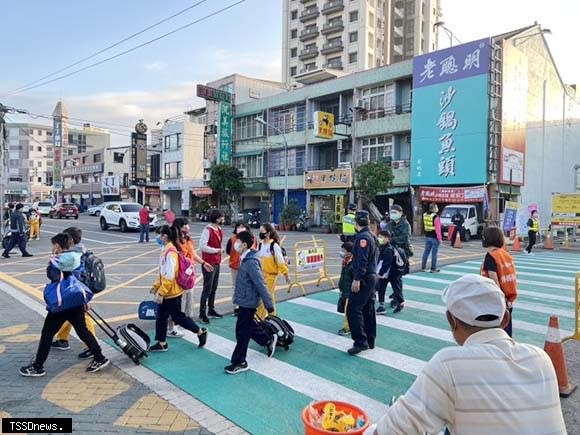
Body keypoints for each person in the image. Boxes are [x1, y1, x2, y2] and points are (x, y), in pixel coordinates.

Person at [364, 274, 566, 435]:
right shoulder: (541, 359)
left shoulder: (448, 365)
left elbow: (393, 430)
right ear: (505, 319)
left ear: (451, 320)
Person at [19, 233, 109, 376]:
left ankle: (37, 367)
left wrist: (52, 260)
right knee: (82, 330)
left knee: (47, 333)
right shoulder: (77, 256)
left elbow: (53, 276)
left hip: (63, 301)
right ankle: (99, 357)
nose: (52, 248)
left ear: (58, 245)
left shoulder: (61, 260)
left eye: (53, 245)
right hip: (76, 299)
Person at [225, 230, 278, 374]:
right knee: (247, 327)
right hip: (244, 300)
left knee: (242, 332)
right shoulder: (245, 258)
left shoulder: (251, 261)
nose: (234, 244)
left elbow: (260, 284)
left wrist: (269, 305)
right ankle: (267, 339)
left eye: (237, 241)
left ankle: (240, 362)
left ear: (243, 244)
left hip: (249, 302)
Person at [149, 225, 208, 352]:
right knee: (161, 317)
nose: (158, 238)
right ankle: (161, 343)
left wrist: (161, 292)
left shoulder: (171, 252)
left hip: (172, 293)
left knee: (178, 317)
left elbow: (170, 275)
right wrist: (156, 286)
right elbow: (163, 273)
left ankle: (200, 331)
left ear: (165, 236)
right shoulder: (166, 249)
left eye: (159, 235)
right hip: (168, 291)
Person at [52, 227, 98, 359]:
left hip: (78, 289)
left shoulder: (74, 254)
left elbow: (73, 274)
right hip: (78, 288)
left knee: (83, 317)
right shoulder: (78, 250)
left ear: (70, 239)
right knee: (68, 313)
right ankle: (62, 339)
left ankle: (91, 346)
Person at [167, 218, 213, 336]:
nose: (188, 227)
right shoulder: (173, 242)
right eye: (185, 225)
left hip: (188, 275)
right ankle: (172, 327)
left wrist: (203, 263)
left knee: (187, 299)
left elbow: (193, 254)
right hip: (178, 275)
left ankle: (180, 323)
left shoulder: (187, 239)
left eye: (187, 225)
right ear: (179, 227)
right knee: (177, 302)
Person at [347, 210, 378, 355]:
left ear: (355, 222)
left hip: (364, 277)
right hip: (372, 276)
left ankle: (360, 342)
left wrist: (357, 279)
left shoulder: (362, 238)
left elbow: (362, 260)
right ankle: (370, 340)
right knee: (368, 308)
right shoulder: (371, 235)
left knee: (353, 309)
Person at [480, 226, 517, 337]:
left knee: (495, 332)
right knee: (506, 328)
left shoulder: (491, 257)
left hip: (496, 301)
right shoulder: (505, 255)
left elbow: (494, 281)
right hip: (508, 299)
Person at [256, 223, 290, 319]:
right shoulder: (260, 245)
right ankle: (273, 316)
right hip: (261, 276)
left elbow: (280, 262)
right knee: (269, 297)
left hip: (271, 276)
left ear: (268, 233)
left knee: (264, 298)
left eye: (262, 232)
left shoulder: (274, 246)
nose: (260, 234)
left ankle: (259, 319)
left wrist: (286, 274)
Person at [199, 209, 225, 324]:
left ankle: (211, 309)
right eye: (221, 218)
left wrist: (219, 250)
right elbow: (202, 246)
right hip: (209, 262)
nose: (223, 219)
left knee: (213, 288)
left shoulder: (219, 229)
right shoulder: (207, 230)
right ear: (217, 218)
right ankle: (202, 313)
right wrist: (217, 250)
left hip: (217, 261)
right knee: (207, 288)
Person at [226, 222, 252, 316]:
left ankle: (246, 304)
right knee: (236, 286)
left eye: (242, 227)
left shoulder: (252, 239)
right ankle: (236, 306)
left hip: (248, 266)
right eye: (239, 227)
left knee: (247, 285)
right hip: (235, 266)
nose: (240, 228)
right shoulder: (232, 239)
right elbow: (229, 251)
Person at [376, 230, 405, 314]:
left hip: (392, 273)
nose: (379, 239)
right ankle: (381, 305)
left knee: (396, 288)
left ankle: (400, 303)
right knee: (382, 288)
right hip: (387, 273)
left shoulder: (388, 249)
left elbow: (386, 263)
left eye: (382, 237)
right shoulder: (383, 247)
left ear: (388, 239)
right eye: (379, 236)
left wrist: (380, 273)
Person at [337, 241, 354, 336]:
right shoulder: (346, 261)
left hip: (351, 291)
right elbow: (343, 276)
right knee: (347, 309)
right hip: (345, 289)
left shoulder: (353, 262)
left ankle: (347, 328)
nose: (341, 252)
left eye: (343, 250)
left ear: (349, 252)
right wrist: (340, 287)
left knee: (348, 310)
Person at [421, 203, 442, 273]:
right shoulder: (436, 217)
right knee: (434, 253)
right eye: (436, 207)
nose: (437, 208)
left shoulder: (425, 215)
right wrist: (440, 238)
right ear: (433, 209)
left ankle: (423, 267)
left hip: (427, 236)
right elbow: (438, 229)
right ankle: (433, 268)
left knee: (426, 252)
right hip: (434, 237)